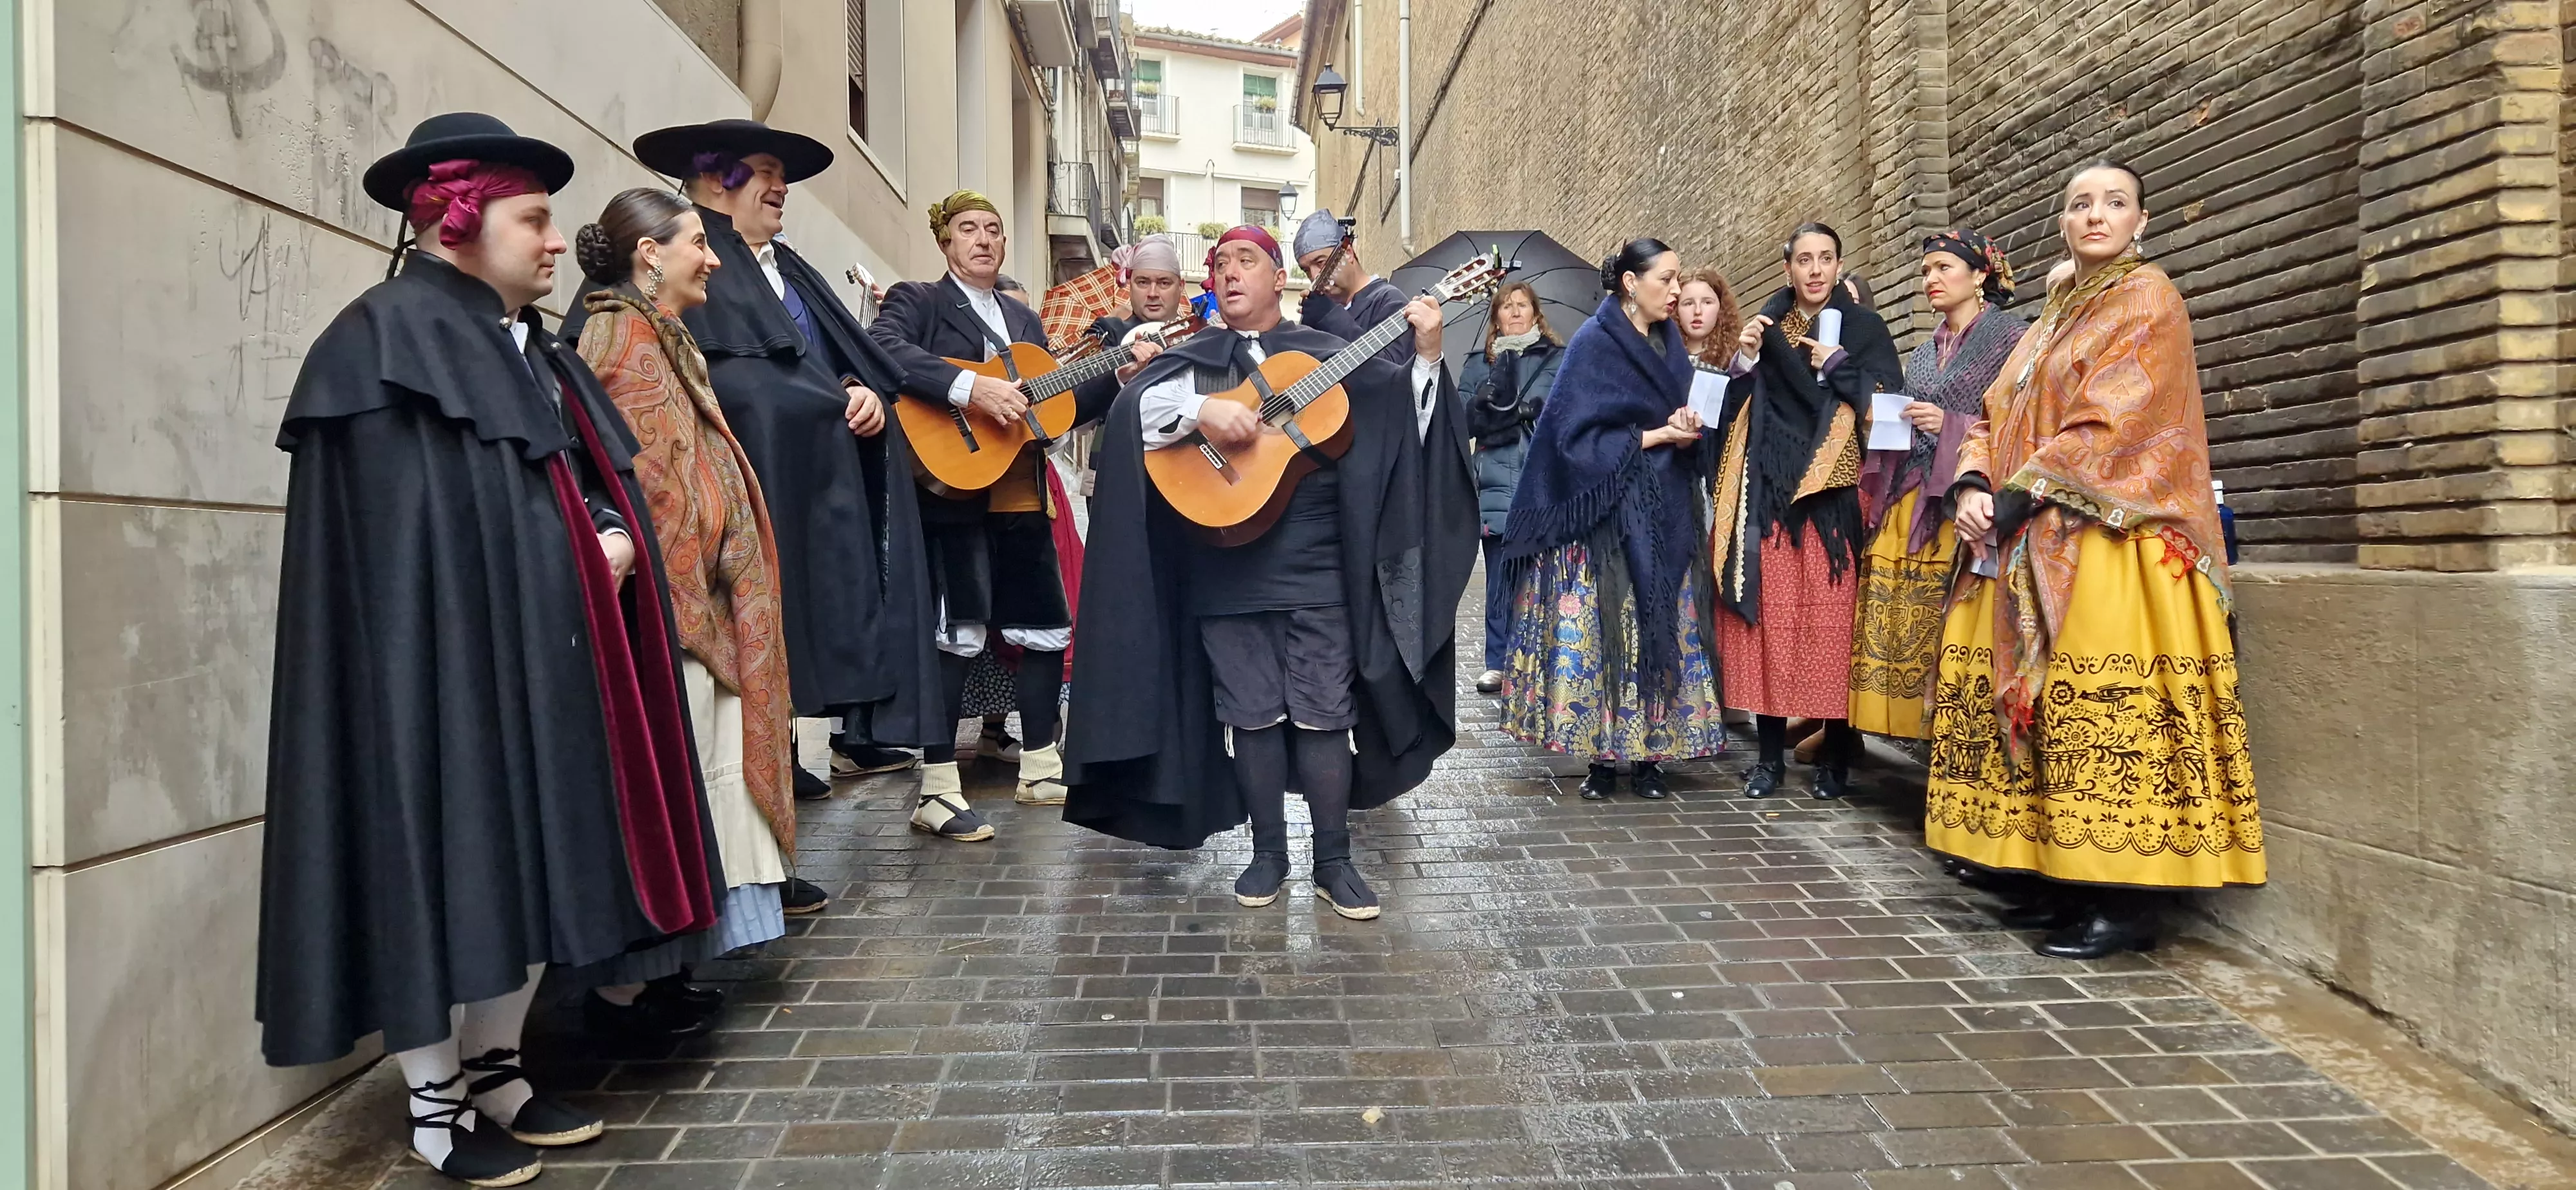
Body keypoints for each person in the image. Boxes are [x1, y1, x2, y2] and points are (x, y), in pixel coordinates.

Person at [259, 113, 720, 1185]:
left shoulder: (533, 347)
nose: (557, 242)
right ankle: (435, 1104)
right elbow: (405, 550)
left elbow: (571, 490)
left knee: (529, 860)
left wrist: (607, 538)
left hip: (540, 663)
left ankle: (498, 1068)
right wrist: (568, 556)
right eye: (536, 220)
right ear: (460, 218)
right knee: (438, 863)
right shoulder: (379, 341)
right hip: (427, 682)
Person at [1063, 225, 1475, 921]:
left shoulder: (1328, 354)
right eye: (1218, 264)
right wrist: (1204, 409)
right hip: (1223, 563)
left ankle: (1334, 860)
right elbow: (1137, 416)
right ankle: (1268, 855)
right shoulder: (1189, 358)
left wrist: (1429, 356)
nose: (1227, 274)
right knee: (1250, 715)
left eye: (1243, 261)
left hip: (1319, 562)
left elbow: (1402, 422)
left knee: (1322, 714)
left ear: (1278, 277)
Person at [1930, 162, 2262, 958]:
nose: (2095, 215)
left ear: (2140, 221)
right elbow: (1992, 409)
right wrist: (1973, 480)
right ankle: (2059, 881)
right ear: (2061, 223)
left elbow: (2112, 420)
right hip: (2031, 539)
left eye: (2113, 203)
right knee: (2046, 715)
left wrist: (2011, 496)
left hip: (2114, 541)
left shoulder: (2149, 299)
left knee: (2105, 713)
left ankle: (2126, 901)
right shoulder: (2051, 315)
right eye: (2080, 204)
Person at [570, 120, 936, 818]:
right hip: (707, 529)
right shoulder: (656, 284)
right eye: (765, 170)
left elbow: (829, 367)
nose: (782, 187)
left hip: (803, 503)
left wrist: (859, 394)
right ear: (715, 179)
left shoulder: (789, 268)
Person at [568, 188, 801, 1040]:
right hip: (667, 615)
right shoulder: (619, 342)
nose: (712, 258)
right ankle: (626, 995)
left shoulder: (662, 337)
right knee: (676, 792)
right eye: (697, 242)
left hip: (698, 604)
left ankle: (668, 973)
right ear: (648, 255)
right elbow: (640, 483)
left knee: (706, 785)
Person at [869, 192, 1126, 833]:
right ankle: (935, 789)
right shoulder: (918, 300)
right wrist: (970, 388)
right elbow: (882, 351)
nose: (983, 240)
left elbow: (1052, 407)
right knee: (958, 635)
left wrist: (1119, 368)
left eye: (992, 230)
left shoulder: (1023, 318)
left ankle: (1039, 767)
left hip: (1019, 491)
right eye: (967, 230)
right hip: (953, 495)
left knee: (1045, 627)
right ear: (945, 242)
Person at [1496, 239, 1728, 800]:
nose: (1676, 291)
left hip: (1665, 508)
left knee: (1659, 623)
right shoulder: (1593, 344)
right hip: (1605, 517)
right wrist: (1654, 435)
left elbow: (1677, 420)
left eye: (1678, 281)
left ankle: (1651, 755)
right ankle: (1604, 758)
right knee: (1606, 631)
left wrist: (1685, 426)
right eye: (1667, 280)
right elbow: (1573, 441)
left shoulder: (1670, 343)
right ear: (1631, 283)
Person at [1709, 222, 1904, 799]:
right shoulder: (1765, 331)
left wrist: (1841, 364)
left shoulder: (1865, 328)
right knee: (1770, 626)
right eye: (1804, 260)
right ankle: (1769, 759)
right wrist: (1743, 363)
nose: (1815, 270)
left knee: (1832, 628)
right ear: (1788, 268)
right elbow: (1733, 415)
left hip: (1836, 503)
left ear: (1840, 266)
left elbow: (1887, 408)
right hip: (1771, 495)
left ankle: (1835, 757)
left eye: (1826, 259)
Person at [1848, 229, 2027, 741]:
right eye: (1927, 271)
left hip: (1961, 500)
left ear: (1980, 276)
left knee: (1946, 620)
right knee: (1897, 617)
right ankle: (1902, 731)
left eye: (1945, 268)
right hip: (1911, 495)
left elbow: (2015, 421)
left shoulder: (2012, 339)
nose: (1932, 279)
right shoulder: (1925, 352)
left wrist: (1949, 421)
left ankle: (1948, 737)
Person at [1458, 281, 1565, 694]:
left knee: (1546, 576)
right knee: (1500, 576)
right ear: (1496, 317)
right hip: (1496, 482)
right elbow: (1463, 421)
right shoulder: (1477, 364)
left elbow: (1565, 411)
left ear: (1536, 314)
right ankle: (1498, 662)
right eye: (1507, 306)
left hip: (1541, 478)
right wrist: (1484, 406)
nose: (1515, 311)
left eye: (1523, 305)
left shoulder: (1557, 359)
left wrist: (1532, 414)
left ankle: (1543, 660)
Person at [1293, 209, 1416, 375]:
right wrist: (1307, 329)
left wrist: (1330, 317)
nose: (1314, 276)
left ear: (1348, 253)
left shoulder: (1388, 301)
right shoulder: (1326, 311)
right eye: (1306, 270)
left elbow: (1391, 369)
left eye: (1320, 263)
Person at [1674, 267, 1741, 367]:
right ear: (1675, 309)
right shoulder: (1662, 356)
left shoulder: (1739, 358)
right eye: (1689, 303)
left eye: (1707, 302)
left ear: (1721, 307)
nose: (1698, 311)